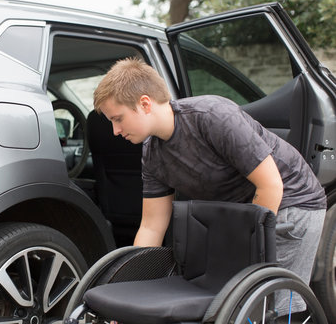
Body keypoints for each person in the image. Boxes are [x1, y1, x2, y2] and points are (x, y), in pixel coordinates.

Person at [93, 57, 327, 314]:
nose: (115, 131)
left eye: (118, 119)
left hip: (291, 202)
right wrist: (131, 291)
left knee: (266, 307)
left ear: (145, 104)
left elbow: (271, 186)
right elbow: (151, 226)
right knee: (227, 302)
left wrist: (244, 256)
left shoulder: (212, 117)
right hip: (238, 213)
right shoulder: (152, 153)